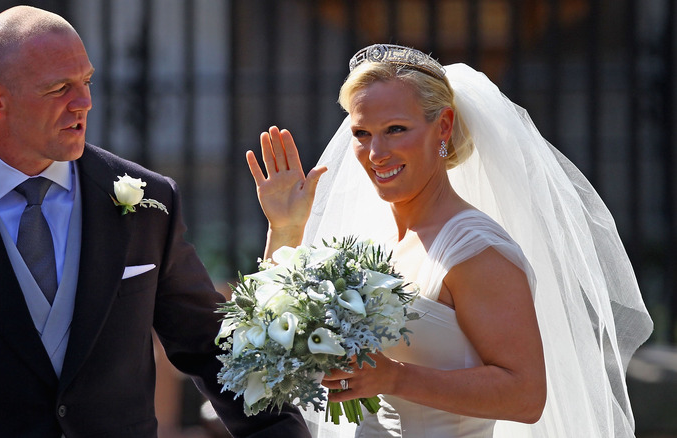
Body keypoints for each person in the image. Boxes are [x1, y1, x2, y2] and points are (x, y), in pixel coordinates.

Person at [0, 6, 310, 438]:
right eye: (59, 88)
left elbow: (211, 347)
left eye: (86, 82)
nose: (84, 102)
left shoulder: (150, 201)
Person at [246, 44, 653, 437]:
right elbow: (276, 357)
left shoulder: (476, 251)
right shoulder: (369, 242)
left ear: (442, 126)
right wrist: (284, 230)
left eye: (395, 130)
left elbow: (526, 396)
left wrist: (395, 378)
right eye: (362, 133)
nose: (376, 153)